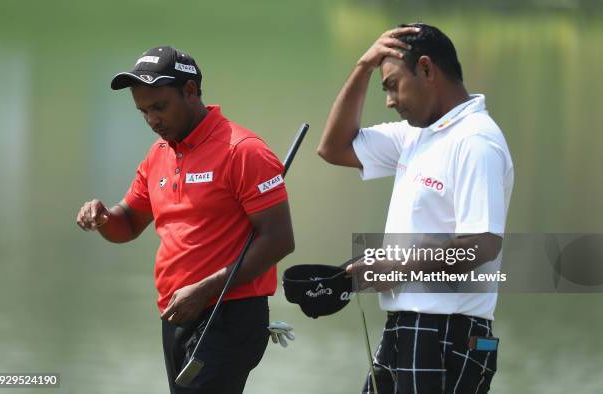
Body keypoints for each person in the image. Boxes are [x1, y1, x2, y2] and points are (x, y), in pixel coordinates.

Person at [76, 46, 295, 394]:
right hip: (177, 314)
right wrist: (104, 218)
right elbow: (129, 223)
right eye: (143, 111)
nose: (152, 120)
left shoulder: (243, 150)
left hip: (228, 313)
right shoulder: (158, 153)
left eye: (159, 107)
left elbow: (279, 239)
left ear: (190, 91)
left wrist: (205, 289)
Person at [318, 23, 514, 393]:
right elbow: (333, 148)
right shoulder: (415, 134)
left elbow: (483, 245)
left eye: (392, 85)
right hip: (405, 326)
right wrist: (363, 67)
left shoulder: (476, 141)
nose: (389, 101)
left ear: (426, 69)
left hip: (450, 334)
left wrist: (394, 267)